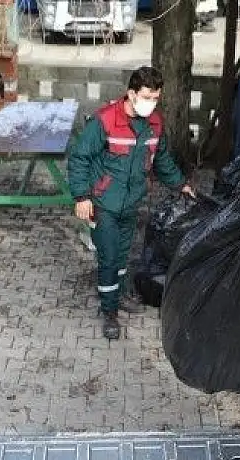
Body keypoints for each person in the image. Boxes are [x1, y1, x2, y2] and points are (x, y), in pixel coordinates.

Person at [68, 66, 194, 340]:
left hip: (131, 202)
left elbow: (161, 160)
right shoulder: (105, 121)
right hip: (104, 204)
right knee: (109, 256)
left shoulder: (154, 124)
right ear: (132, 94)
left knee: (124, 254)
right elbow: (79, 158)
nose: (152, 103)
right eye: (147, 97)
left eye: (156, 98)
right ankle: (109, 311)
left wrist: (180, 184)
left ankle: (120, 292)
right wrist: (81, 196)